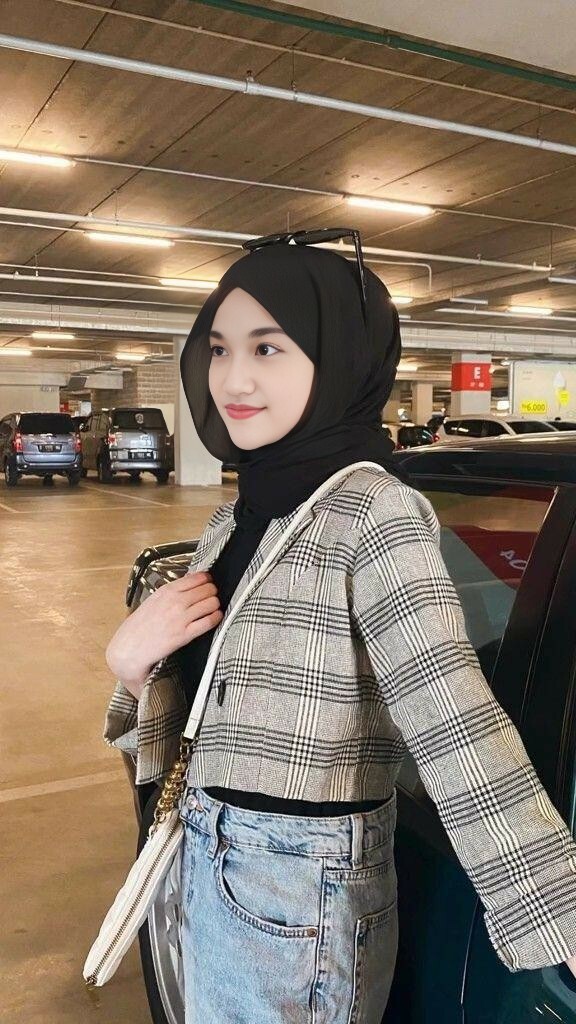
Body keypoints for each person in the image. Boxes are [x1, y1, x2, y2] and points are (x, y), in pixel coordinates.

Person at [104, 234, 576, 1023]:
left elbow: (450, 715)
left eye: (267, 347)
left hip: (295, 892)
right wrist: (132, 666)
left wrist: (555, 906)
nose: (233, 378)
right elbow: (214, 707)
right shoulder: (241, 517)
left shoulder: (374, 511)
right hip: (209, 851)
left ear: (341, 361)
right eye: (219, 348)